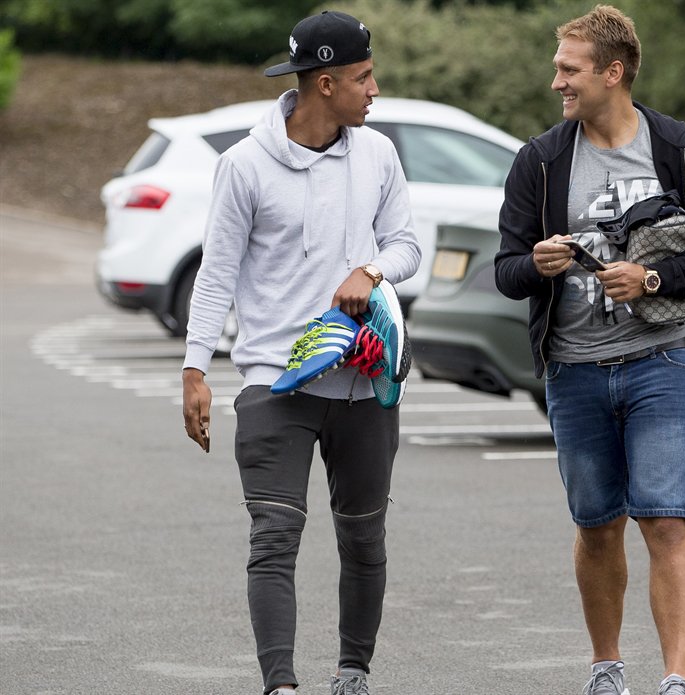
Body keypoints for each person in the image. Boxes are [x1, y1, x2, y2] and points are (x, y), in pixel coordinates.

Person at [494, 5, 685, 695]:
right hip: (574, 370)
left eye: (569, 70)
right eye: (558, 68)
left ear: (613, 72)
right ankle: (607, 669)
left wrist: (654, 276)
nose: (557, 83)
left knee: (666, 519)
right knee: (597, 524)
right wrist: (536, 263)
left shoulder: (680, 149)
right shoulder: (541, 162)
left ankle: (677, 680)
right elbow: (505, 268)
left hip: (665, 362)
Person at [181, 10, 420, 695]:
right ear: (324, 83)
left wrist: (369, 271)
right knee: (274, 538)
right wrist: (195, 368)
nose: (374, 89)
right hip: (272, 382)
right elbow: (217, 273)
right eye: (363, 77)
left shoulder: (378, 154)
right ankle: (280, 685)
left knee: (363, 538)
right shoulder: (246, 165)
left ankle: (353, 674)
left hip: (363, 380)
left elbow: (406, 245)